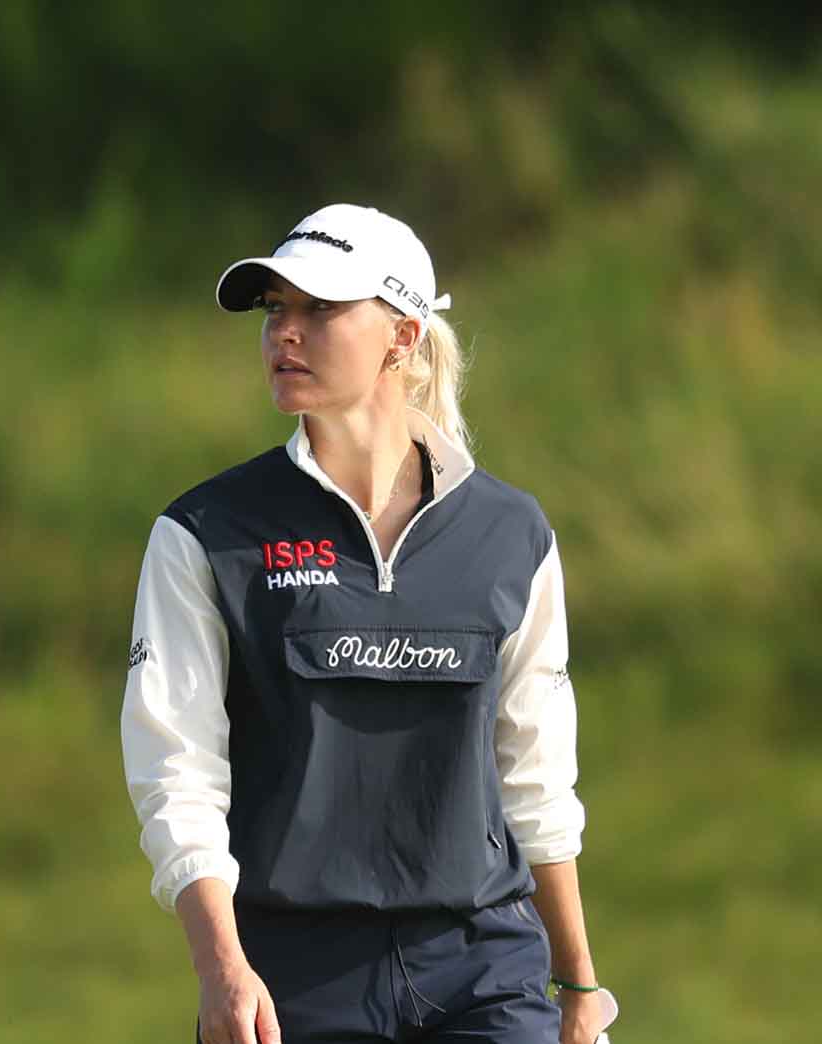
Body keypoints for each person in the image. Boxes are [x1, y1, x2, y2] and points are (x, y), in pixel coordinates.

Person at [121, 204, 612, 1044]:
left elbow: (535, 778)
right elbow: (178, 775)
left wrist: (578, 992)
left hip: (485, 969)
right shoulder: (207, 532)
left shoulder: (512, 535)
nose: (286, 332)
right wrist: (222, 969)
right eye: (276, 309)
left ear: (403, 334)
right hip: (290, 977)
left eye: (320, 309)